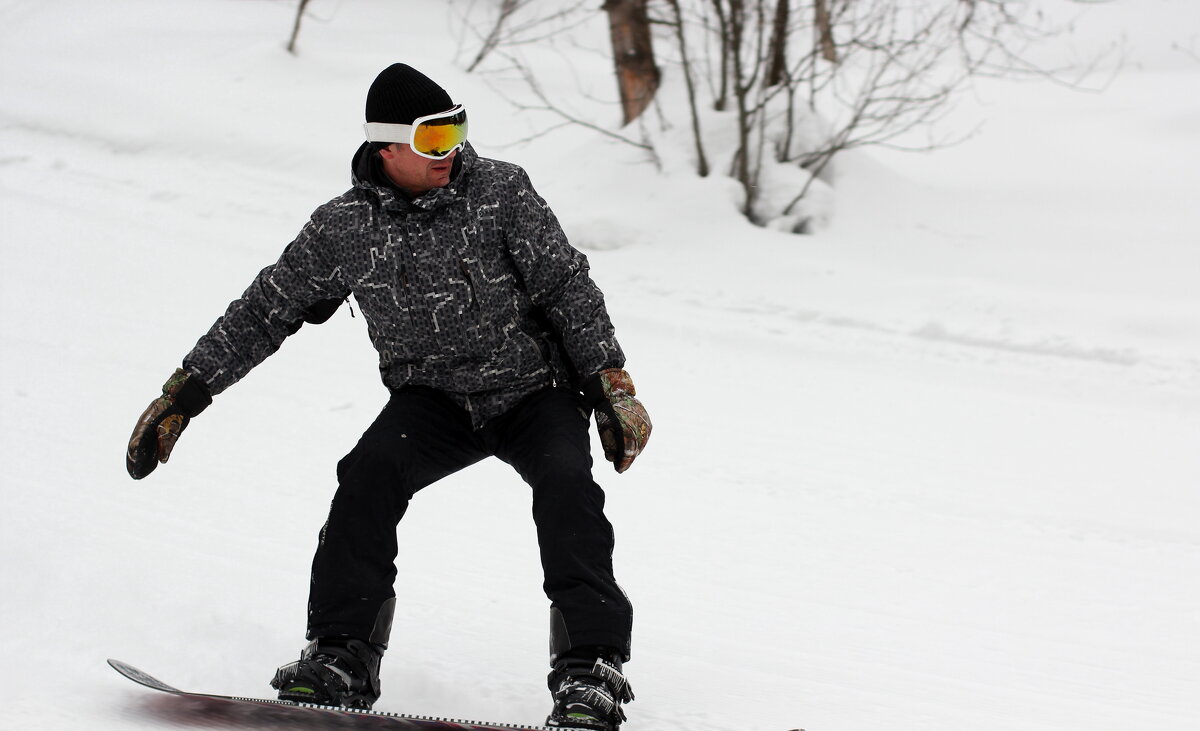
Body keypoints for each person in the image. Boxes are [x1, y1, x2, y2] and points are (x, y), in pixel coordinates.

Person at [125, 63, 650, 731]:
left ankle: (591, 669)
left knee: (567, 482)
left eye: (457, 131)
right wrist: (185, 392)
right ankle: (342, 656)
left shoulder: (501, 192)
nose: (451, 151)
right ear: (387, 147)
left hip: (531, 390)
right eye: (433, 140)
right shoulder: (345, 228)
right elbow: (265, 310)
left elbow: (566, 286)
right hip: (431, 399)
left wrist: (610, 383)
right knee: (366, 476)